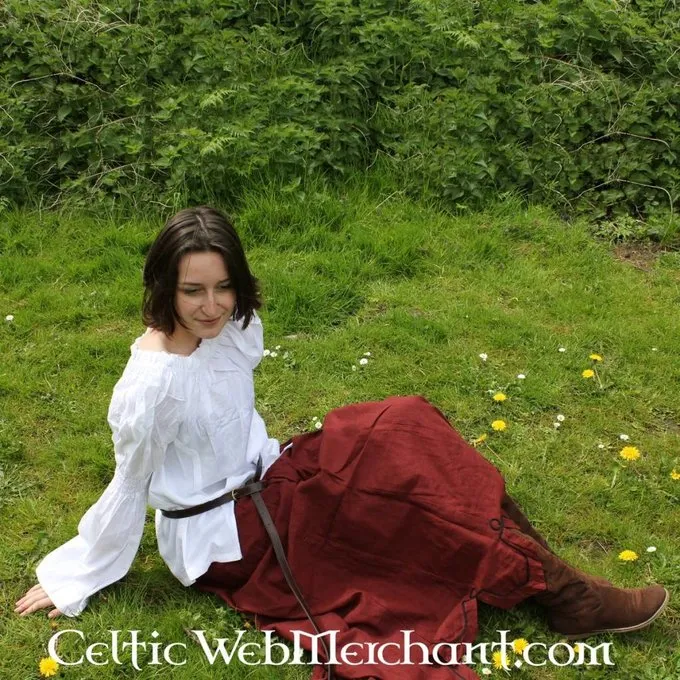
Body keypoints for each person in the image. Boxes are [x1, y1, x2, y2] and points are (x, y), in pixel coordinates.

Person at [15, 206, 669, 679]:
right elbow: (130, 486)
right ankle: (570, 596)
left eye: (223, 286)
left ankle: (558, 585)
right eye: (193, 291)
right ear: (165, 288)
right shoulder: (150, 387)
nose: (212, 306)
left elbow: (232, 407)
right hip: (229, 534)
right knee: (397, 518)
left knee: (404, 429)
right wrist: (79, 573)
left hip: (274, 473)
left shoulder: (230, 327)